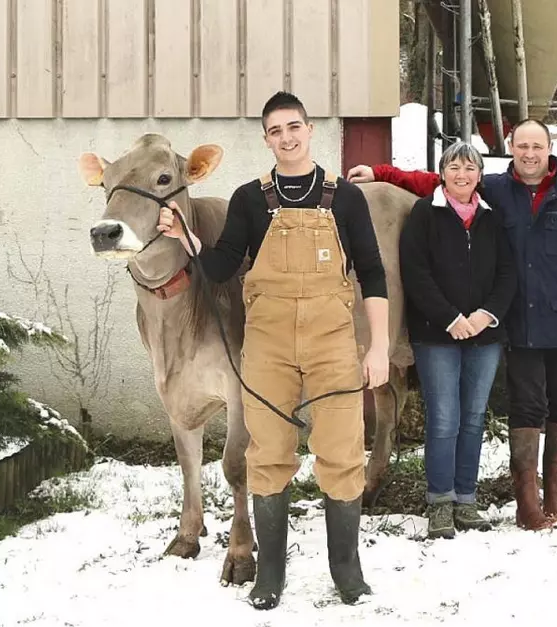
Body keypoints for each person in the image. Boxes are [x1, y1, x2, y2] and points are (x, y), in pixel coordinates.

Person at [158, 91, 390, 609]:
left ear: (309, 130)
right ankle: (270, 574)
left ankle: (346, 572)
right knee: (266, 453)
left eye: (293, 127)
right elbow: (219, 268)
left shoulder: (344, 198)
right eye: (274, 131)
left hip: (332, 342)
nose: (285, 138)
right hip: (267, 344)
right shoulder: (248, 199)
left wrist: (378, 346)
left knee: (342, 450)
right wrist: (184, 236)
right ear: (266, 139)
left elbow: (373, 274)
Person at [348, 119, 557, 531]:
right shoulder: (496, 190)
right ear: (511, 149)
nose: (530, 154)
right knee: (525, 404)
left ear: (550, 147)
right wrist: (382, 173)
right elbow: (439, 179)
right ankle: (525, 498)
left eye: (537, 145)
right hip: (519, 319)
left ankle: (555, 487)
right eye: (522, 146)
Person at [400, 141, 517, 539]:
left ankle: (466, 499)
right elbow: (415, 273)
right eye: (454, 167)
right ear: (442, 172)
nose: (462, 175)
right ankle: (440, 502)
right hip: (437, 335)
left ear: (480, 175)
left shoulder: (492, 218)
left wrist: (486, 315)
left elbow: (508, 273)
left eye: (470, 168)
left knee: (473, 417)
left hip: (485, 334)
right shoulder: (424, 214)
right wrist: (450, 318)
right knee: (445, 417)